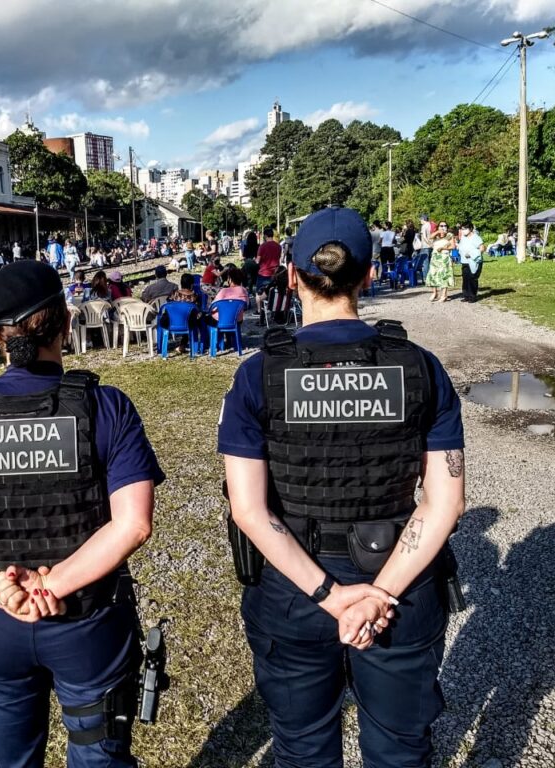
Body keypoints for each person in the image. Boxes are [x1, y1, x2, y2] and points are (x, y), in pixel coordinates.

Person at [218, 206, 465, 768]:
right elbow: (445, 502)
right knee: (400, 750)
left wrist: (331, 597)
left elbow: (248, 510)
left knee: (303, 750)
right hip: (400, 587)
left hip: (293, 589)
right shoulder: (420, 368)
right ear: (370, 276)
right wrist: (380, 594)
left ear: (291, 277)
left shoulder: (257, 374)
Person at [0, 260, 163, 767]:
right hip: (88, 619)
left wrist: (2, 591)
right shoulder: (105, 407)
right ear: (66, 323)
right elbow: (133, 523)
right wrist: (54, 585)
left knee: (4, 756)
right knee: (98, 757)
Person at [256, 226, 282, 325]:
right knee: (273, 292)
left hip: (263, 273)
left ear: (265, 236)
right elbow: (279, 258)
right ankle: (273, 311)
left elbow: (258, 261)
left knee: (259, 294)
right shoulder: (278, 246)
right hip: (275, 273)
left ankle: (260, 312)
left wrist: (256, 260)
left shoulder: (262, 246)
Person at [426, 222, 455, 303]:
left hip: (444, 257)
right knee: (433, 274)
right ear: (438, 227)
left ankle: (444, 295)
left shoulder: (449, 235)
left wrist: (443, 248)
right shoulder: (436, 235)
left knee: (444, 275)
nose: (443, 227)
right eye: (441, 226)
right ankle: (434, 293)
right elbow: (430, 237)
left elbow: (453, 246)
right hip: (435, 257)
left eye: (445, 226)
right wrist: (438, 232)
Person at [458, 221, 485, 302]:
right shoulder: (463, 237)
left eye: (465, 229)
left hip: (473, 261)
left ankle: (473, 296)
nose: (463, 231)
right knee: (465, 278)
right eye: (462, 229)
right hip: (464, 261)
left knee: (472, 278)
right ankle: (466, 295)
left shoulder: (476, 237)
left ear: (470, 229)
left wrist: (471, 254)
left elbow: (482, 248)